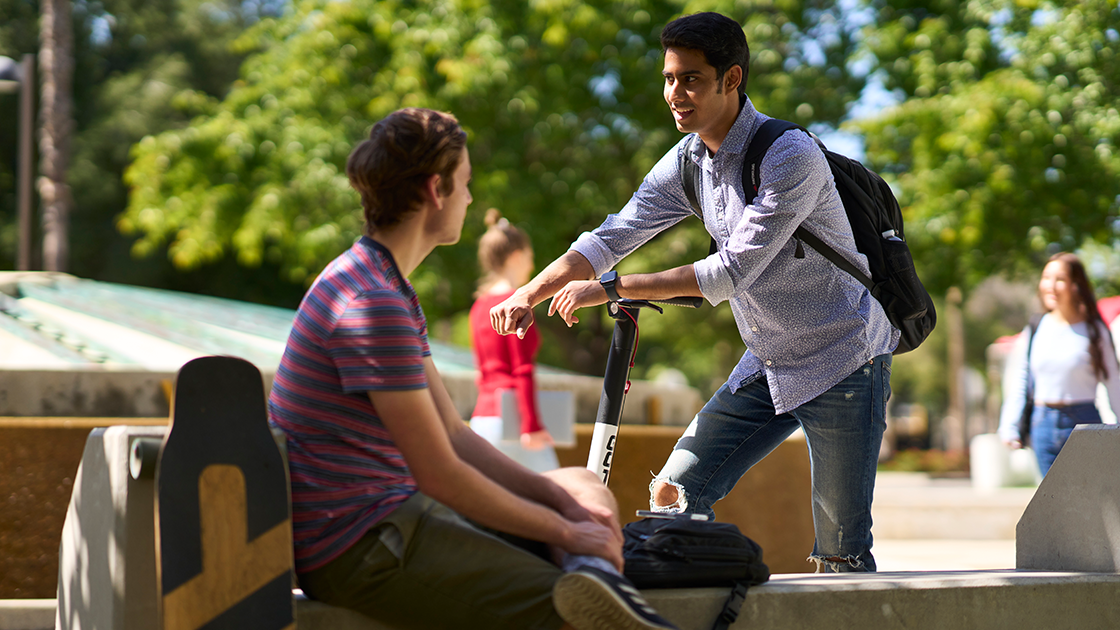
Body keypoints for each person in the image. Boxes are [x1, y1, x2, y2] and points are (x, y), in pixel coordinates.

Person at [491, 12, 896, 573]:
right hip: (770, 359)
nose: (674, 94)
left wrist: (607, 289)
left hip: (844, 357)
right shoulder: (689, 162)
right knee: (672, 496)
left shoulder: (788, 155)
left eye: (691, 80)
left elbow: (728, 273)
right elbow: (613, 234)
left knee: (840, 550)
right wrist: (528, 293)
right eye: (668, 78)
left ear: (731, 80)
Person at [268, 108, 678, 630]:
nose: (468, 198)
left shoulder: (385, 283)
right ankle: (599, 595)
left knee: (584, 488)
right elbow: (439, 473)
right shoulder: (371, 302)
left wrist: (568, 510)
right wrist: (567, 532)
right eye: (464, 185)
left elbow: (455, 438)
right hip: (362, 544)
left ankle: (598, 587)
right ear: (435, 189)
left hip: (397, 517)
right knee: (567, 596)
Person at [998, 252, 1120, 476]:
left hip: (1085, 423)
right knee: (1049, 503)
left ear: (1076, 285)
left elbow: (1113, 379)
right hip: (1042, 424)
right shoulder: (1036, 327)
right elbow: (1022, 379)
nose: (1050, 286)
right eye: (1046, 278)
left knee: (1086, 502)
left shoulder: (1095, 330)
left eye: (1060, 279)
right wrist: (1010, 425)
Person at [470, 208, 560, 473]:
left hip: (482, 421)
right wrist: (531, 425)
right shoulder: (517, 306)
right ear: (517, 256)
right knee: (561, 494)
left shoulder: (479, 307)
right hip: (513, 422)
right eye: (530, 258)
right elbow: (522, 370)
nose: (532, 266)